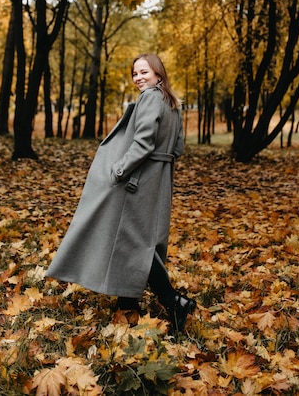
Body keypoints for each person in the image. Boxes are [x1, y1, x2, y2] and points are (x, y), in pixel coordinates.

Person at [45, 53, 196, 332]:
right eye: (134, 74)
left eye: (144, 72)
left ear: (158, 74)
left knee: (136, 242)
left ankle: (173, 301)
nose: (139, 78)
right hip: (160, 179)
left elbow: (143, 142)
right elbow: (177, 149)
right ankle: (127, 302)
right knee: (142, 239)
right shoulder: (172, 104)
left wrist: (119, 170)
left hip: (138, 179)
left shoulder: (150, 97)